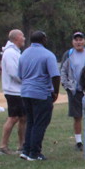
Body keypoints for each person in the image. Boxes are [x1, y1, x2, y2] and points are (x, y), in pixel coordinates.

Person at [18, 30, 60, 161]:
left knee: (30, 121)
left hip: (25, 92)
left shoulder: (24, 54)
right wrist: (56, 91)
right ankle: (35, 153)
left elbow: (20, 75)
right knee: (40, 123)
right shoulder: (48, 55)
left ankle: (26, 150)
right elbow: (55, 75)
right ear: (43, 40)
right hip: (41, 93)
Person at [0, 29, 26, 155]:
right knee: (13, 118)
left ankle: (22, 145)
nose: (24, 38)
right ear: (16, 38)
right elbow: (13, 72)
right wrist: (25, 80)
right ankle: (3, 146)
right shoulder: (9, 53)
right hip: (13, 91)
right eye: (22, 36)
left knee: (24, 117)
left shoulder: (16, 52)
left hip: (19, 91)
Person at [58, 32, 85, 150]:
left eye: (81, 39)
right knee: (77, 116)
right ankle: (79, 142)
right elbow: (63, 71)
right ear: (72, 42)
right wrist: (67, 86)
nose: (78, 42)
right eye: (76, 40)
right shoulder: (68, 54)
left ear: (84, 41)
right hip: (75, 90)